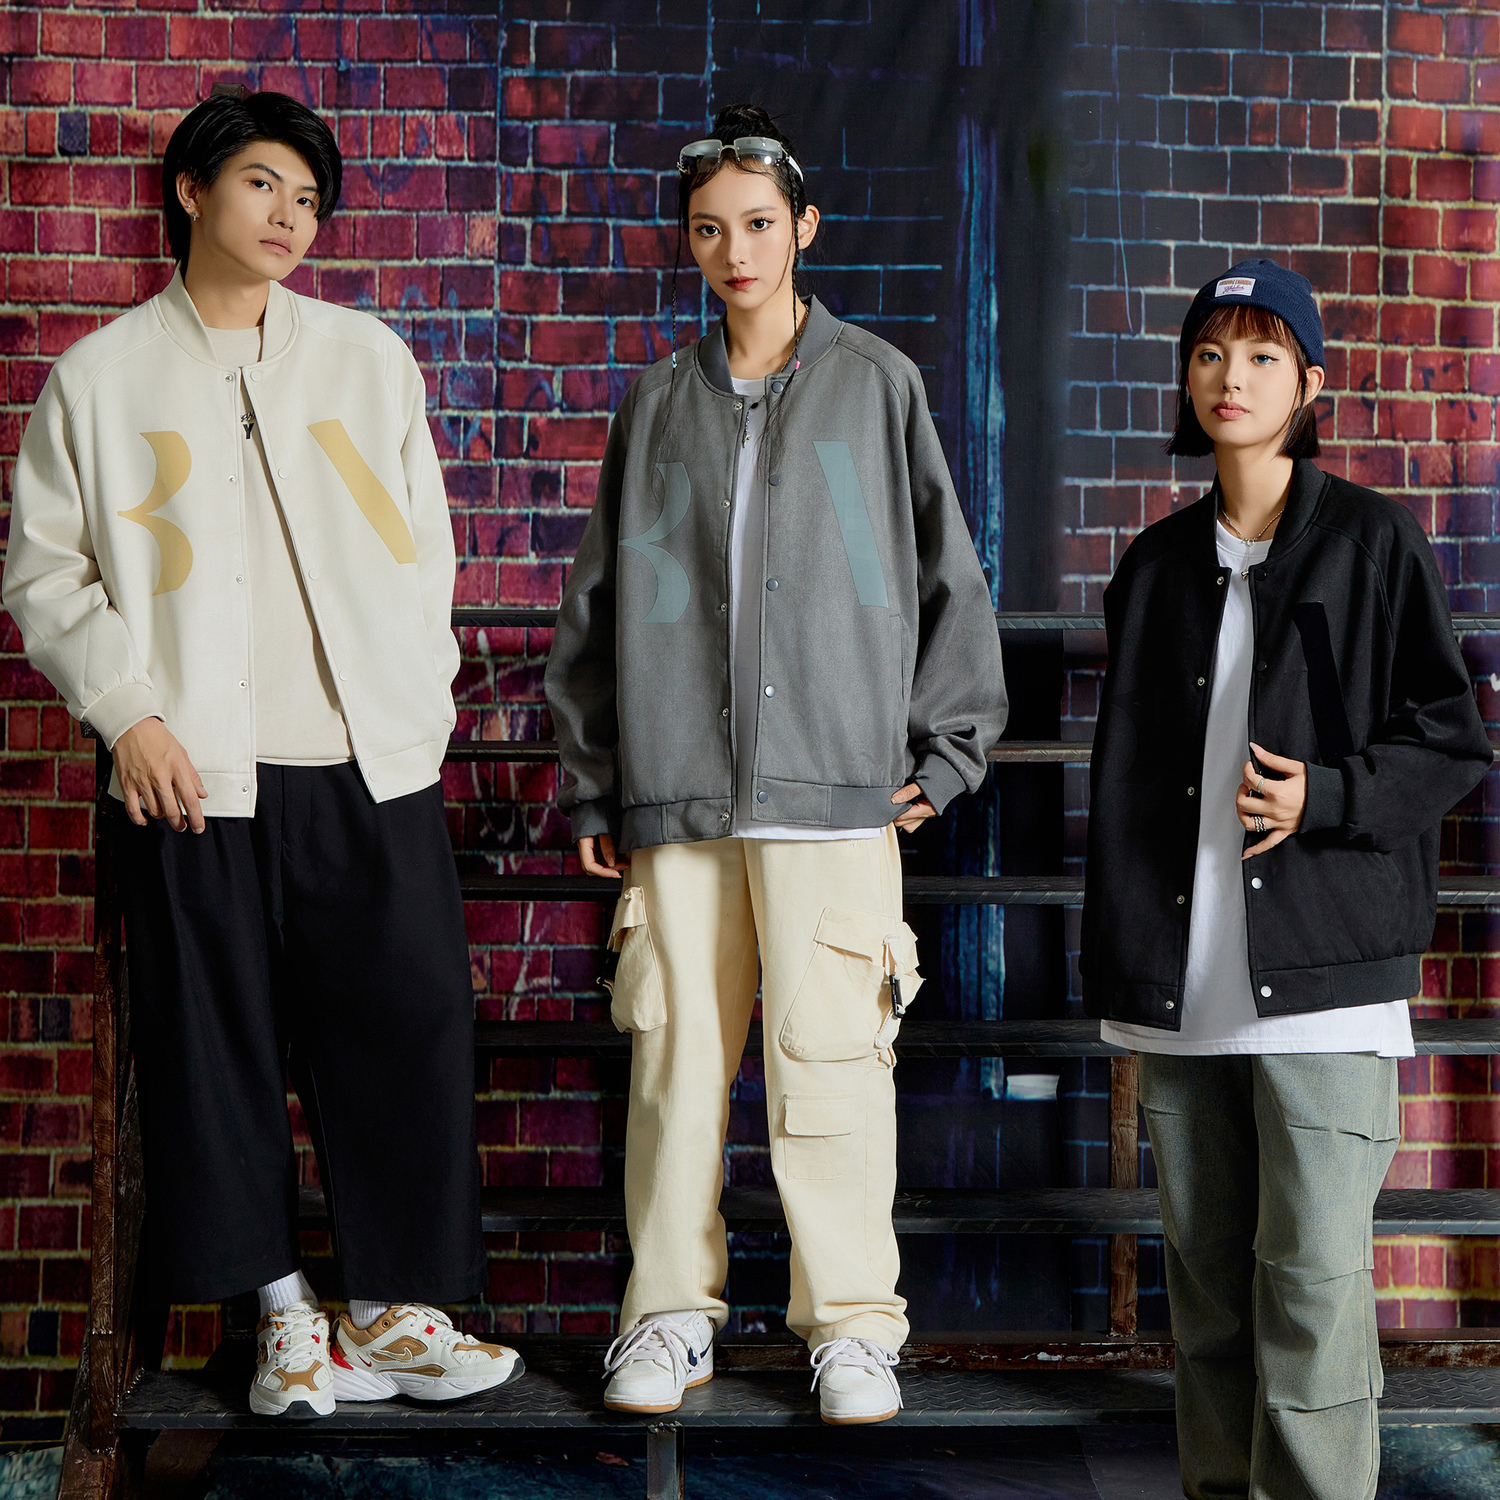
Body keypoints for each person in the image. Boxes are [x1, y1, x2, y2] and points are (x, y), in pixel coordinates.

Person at [3, 86, 522, 1419]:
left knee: (408, 1022)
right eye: (261, 186)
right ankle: (284, 1321)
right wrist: (130, 714)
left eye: (308, 198)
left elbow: (424, 554)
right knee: (212, 1042)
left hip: (367, 763)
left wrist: (417, 702)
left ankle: (396, 1310)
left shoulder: (366, 359)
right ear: (190, 191)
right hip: (192, 778)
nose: (291, 216)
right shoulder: (101, 378)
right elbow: (46, 573)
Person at [544, 104, 1006, 1425]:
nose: (734, 252)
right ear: (689, 244)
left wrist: (951, 747)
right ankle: (669, 1315)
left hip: (834, 790)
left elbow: (943, 574)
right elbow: (603, 600)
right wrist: (596, 776)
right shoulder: (657, 404)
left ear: (803, 226)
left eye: (757, 224)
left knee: (834, 1066)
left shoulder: (877, 387)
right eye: (708, 231)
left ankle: (852, 1326)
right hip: (680, 793)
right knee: (674, 1064)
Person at [1082, 259, 1493, 1499]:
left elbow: (1452, 742)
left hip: (1327, 991)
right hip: (1183, 993)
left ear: (1311, 383)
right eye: (1211, 352)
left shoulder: (1374, 542)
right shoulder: (1155, 566)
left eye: (1264, 354)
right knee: (1208, 1309)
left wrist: (1329, 796)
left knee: (1310, 1297)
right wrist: (1124, 968)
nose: (1233, 377)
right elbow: (1122, 789)